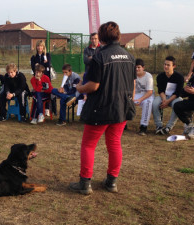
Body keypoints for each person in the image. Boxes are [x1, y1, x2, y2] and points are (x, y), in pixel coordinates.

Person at [69, 21, 136, 195]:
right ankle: (111, 182)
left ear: (102, 37)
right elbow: (133, 84)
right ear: (118, 36)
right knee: (114, 144)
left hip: (100, 108)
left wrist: (79, 88)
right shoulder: (129, 57)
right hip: (121, 108)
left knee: (89, 145)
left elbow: (93, 86)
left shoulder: (99, 56)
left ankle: (85, 183)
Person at [152, 56, 184, 135]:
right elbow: (160, 90)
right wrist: (164, 100)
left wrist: (168, 101)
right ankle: (159, 126)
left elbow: (177, 93)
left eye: (168, 65)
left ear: (174, 66)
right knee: (155, 103)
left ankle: (168, 127)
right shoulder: (160, 76)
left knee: (178, 104)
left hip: (175, 97)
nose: (165, 66)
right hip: (164, 97)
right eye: (165, 64)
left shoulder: (179, 77)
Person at [30, 40, 53, 116]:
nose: (40, 47)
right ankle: (37, 110)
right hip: (37, 78)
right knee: (39, 91)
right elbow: (34, 68)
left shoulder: (47, 55)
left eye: (41, 46)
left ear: (43, 47)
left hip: (46, 77)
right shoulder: (33, 57)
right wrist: (43, 64)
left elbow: (48, 65)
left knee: (46, 90)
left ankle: (47, 108)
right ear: (36, 47)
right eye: (38, 46)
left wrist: (39, 65)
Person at [134, 58, 154, 135]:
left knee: (147, 103)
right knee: (124, 100)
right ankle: (123, 124)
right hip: (135, 94)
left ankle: (143, 126)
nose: (137, 69)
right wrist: (131, 99)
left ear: (143, 68)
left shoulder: (148, 76)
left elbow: (149, 92)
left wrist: (140, 99)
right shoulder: (131, 75)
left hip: (146, 95)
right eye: (135, 67)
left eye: (139, 67)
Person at [173, 72, 194, 139]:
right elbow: (185, 93)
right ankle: (189, 125)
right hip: (192, 101)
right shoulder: (192, 78)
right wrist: (184, 90)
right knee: (177, 106)